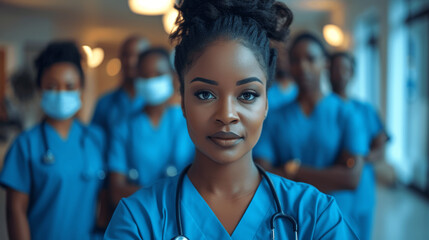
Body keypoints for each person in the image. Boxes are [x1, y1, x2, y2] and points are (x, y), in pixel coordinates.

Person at [104, 1, 358, 239]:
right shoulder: (138, 220)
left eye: (247, 95)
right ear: (182, 102)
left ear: (267, 104)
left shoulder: (317, 216)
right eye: (205, 94)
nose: (226, 114)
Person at [254, 32, 367, 231]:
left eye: (311, 59)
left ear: (324, 63)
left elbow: (351, 178)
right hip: (288, 218)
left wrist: (293, 170)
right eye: (296, 60)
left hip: (337, 218)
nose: (302, 66)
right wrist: (331, 173)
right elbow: (264, 173)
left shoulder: (347, 113)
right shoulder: (275, 117)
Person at [0, 41, 106, 240]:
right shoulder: (25, 145)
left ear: (81, 89)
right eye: (52, 86)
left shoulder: (96, 139)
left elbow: (105, 199)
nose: (61, 93)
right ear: (40, 89)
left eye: (69, 86)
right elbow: (16, 211)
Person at [108, 47, 194, 206]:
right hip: (138, 216)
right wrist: (170, 195)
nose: (151, 81)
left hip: (183, 215)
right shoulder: (123, 127)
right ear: (137, 80)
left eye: (158, 75)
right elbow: (117, 191)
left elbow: (201, 185)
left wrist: (144, 193)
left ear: (173, 77)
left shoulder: (188, 121)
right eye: (145, 76)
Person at [330, 51, 389, 240]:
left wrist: (360, 158)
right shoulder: (322, 108)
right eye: (334, 68)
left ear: (352, 73)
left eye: (345, 69)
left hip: (362, 190)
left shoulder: (364, 109)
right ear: (327, 72)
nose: (339, 74)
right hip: (332, 189)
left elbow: (380, 146)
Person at [91, 36, 150, 137]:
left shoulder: (155, 102)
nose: (131, 62)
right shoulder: (105, 103)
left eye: (137, 56)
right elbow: (94, 141)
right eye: (126, 55)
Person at [267, 41, 298, 111]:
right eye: (276, 52)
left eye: (284, 53)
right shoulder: (266, 88)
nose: (280, 57)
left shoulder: (300, 89)